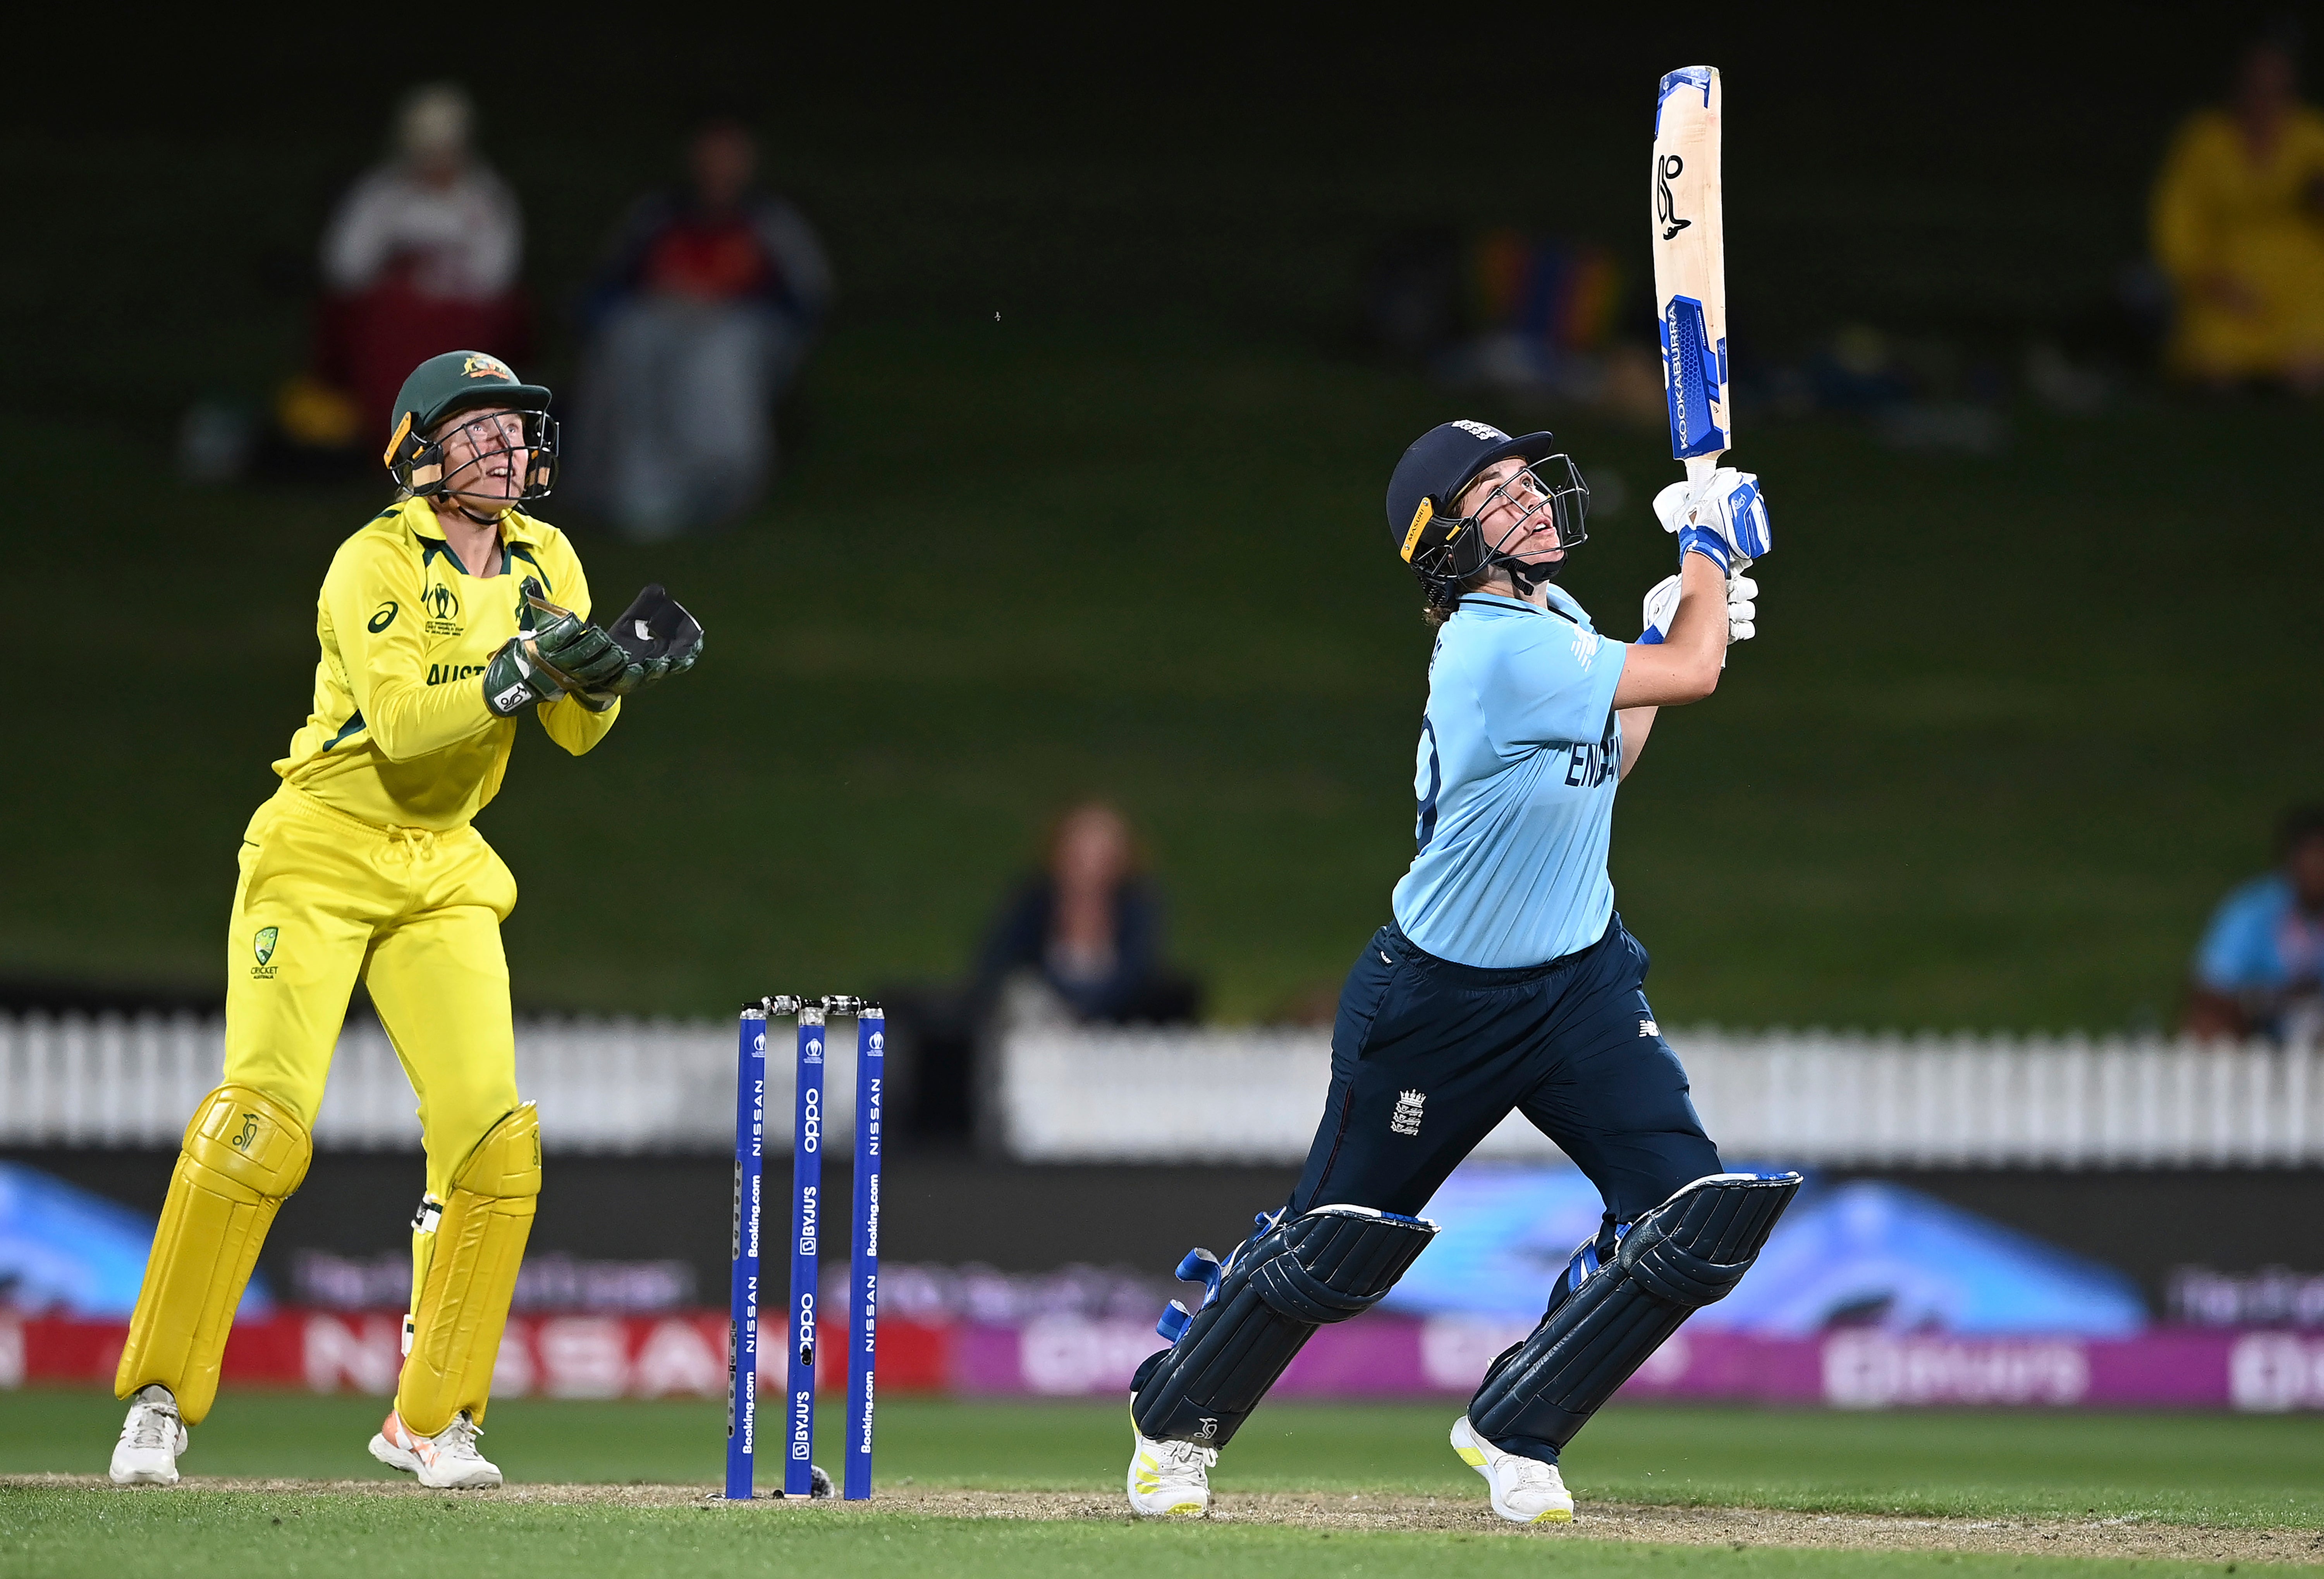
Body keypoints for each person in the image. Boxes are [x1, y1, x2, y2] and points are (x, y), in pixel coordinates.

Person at [1120, 422, 1793, 1524]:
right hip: (1437, 998)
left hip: (1578, 982)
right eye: (1496, 489)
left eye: (1527, 477)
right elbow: (1705, 669)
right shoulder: (1492, 646)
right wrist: (1709, 562)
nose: (1530, 497)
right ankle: (1174, 1418)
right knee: (1335, 1242)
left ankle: (1517, 1426)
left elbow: (1610, 756)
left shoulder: (1558, 622)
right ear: (1448, 543)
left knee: (1691, 1215)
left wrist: (1656, 636)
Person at [106, 351, 702, 1491]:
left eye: (517, 431)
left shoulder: (549, 558)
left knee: (494, 1143)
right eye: (480, 430)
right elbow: (399, 726)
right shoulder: (372, 559)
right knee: (261, 1127)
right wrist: (519, 669)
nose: (508, 449)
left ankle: (433, 1421)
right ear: (420, 451)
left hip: (442, 866)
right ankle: (158, 1405)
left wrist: (608, 676)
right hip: (320, 850)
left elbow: (575, 737)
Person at [568, 119, 832, 539]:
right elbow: (602, 293)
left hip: (735, 333)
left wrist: (723, 303)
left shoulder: (770, 222)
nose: (720, 165)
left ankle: (720, 485)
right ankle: (631, 488)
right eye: (711, 152)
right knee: (630, 338)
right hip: (661, 327)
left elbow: (805, 302)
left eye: (731, 154)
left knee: (719, 353)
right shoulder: (657, 216)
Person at [892, 802, 1200, 1141]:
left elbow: (1135, 976)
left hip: (1108, 1044)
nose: (1088, 862)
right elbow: (993, 968)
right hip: (1031, 1042)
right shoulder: (1033, 903)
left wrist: (1079, 1007)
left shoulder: (1138, 908)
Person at [291, 85, 529, 452]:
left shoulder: (486, 198)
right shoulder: (381, 194)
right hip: (389, 325)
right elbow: (344, 267)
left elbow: (496, 275)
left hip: (459, 325)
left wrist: (436, 285)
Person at [2150, 35, 2324, 392]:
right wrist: (2201, 275)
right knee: (2213, 368)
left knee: (2306, 368)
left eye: (2275, 88)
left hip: (2306, 278)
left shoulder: (2312, 136)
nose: (2264, 98)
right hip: (2227, 276)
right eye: (2255, 86)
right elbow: (2176, 217)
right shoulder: (2205, 139)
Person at [2185, 806, 2324, 1046]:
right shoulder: (2253, 910)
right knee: (2208, 1023)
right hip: (2256, 1025)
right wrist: (2272, 1001)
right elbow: (2211, 986)